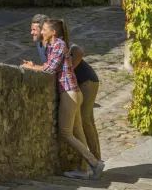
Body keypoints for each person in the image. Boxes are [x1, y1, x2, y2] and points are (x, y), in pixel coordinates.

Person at [22, 19, 104, 180]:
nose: (41, 31)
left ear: (53, 32)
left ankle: (95, 163)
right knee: (77, 131)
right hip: (72, 92)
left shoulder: (59, 44)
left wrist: (32, 67)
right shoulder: (52, 46)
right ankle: (85, 169)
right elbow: (49, 66)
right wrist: (36, 66)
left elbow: (50, 69)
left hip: (69, 92)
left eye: (44, 29)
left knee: (66, 132)